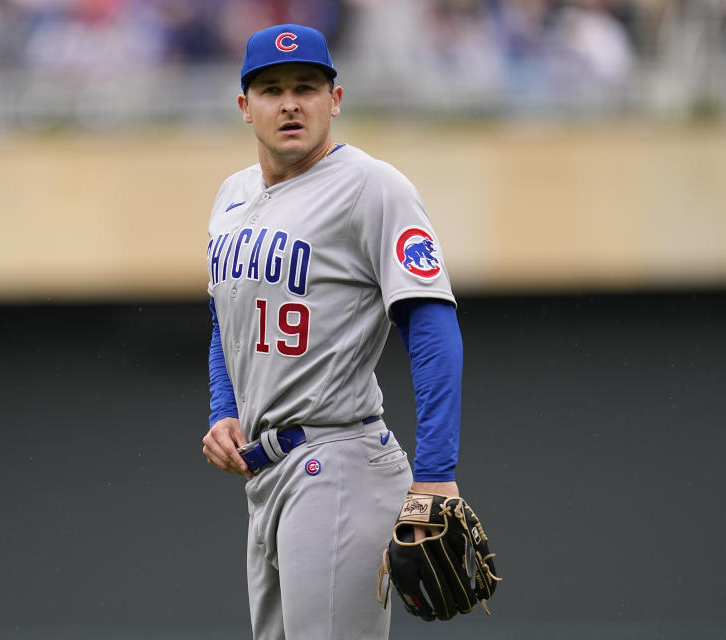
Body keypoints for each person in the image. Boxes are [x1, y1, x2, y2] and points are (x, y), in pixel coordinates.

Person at [201, 23, 465, 640]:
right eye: (271, 89)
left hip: (339, 461)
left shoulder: (372, 187)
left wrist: (436, 472)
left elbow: (430, 324)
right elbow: (224, 315)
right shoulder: (230, 195)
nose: (290, 102)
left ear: (334, 99)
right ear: (246, 107)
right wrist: (224, 407)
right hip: (265, 478)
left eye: (306, 87)